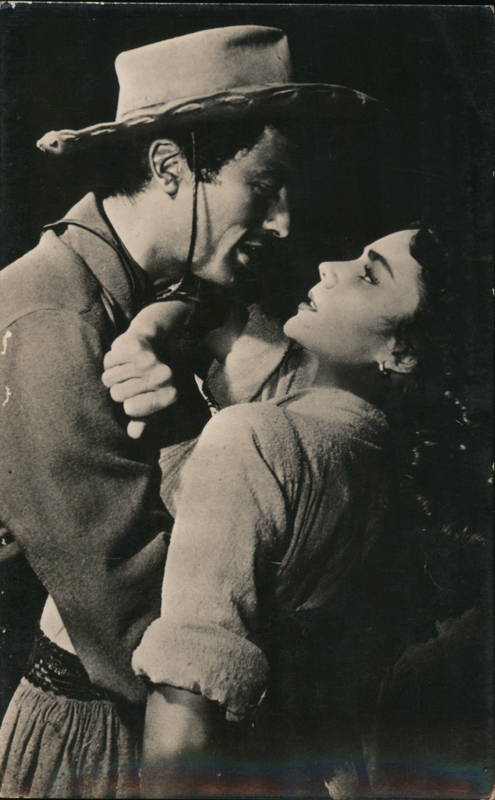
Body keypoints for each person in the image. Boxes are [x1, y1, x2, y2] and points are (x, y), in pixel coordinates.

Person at [0, 25, 385, 799]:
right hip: (114, 740)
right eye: (262, 187)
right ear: (170, 168)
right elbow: (121, 611)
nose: (282, 224)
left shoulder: (147, 289)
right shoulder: (54, 316)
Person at [100, 226, 452, 797]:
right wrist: (148, 328)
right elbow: (219, 314)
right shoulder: (375, 451)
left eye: (368, 274)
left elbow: (184, 716)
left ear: (402, 353)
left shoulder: (255, 436)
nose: (330, 265)